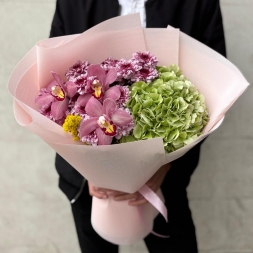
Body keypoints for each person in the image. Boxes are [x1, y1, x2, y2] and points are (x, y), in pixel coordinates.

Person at [50, 1, 226, 252]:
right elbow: (55, 79)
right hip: (89, 183)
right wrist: (91, 169)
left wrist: (163, 168)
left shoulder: (197, 4)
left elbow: (214, 87)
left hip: (165, 178)